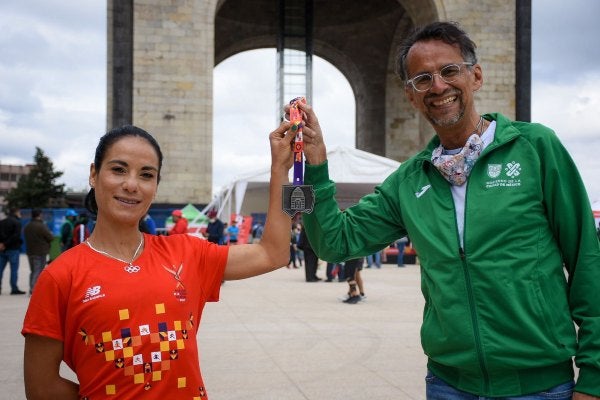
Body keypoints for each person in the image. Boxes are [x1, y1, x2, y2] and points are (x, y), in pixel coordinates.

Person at [292, 21, 600, 399]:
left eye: (449, 71)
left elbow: (588, 259)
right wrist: (314, 167)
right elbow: (333, 243)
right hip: (449, 386)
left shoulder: (535, 148)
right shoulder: (408, 181)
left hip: (540, 385)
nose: (438, 87)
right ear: (411, 95)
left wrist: (595, 376)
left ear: (476, 76)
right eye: (422, 79)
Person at [21, 122, 296, 399]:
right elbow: (41, 388)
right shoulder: (59, 276)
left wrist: (280, 169)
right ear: (94, 174)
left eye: (146, 175)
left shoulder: (187, 253)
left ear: (155, 185)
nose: (131, 185)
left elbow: (273, 253)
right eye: (118, 170)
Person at [23, 209, 54, 294]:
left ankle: (32, 287)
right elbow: (50, 237)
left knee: (33, 270)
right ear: (39, 215)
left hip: (30, 251)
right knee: (38, 271)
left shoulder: (27, 226)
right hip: (40, 252)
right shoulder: (41, 226)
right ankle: (33, 289)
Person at [0, 207, 25, 295]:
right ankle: (14, 288)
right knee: (14, 270)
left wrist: (2, 244)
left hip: (2, 249)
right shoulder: (17, 223)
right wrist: (6, 244)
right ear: (16, 212)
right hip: (13, 249)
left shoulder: (2, 222)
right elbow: (16, 236)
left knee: (0, 269)